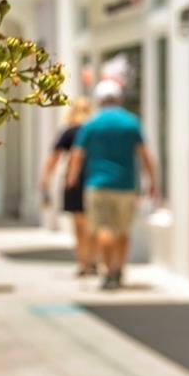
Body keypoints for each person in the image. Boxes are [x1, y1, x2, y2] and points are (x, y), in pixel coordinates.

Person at [68, 80, 158, 290]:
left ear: (99, 100)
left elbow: (77, 154)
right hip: (126, 185)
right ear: (119, 99)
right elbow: (144, 155)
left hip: (97, 185)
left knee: (103, 228)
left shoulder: (92, 124)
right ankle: (118, 269)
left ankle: (109, 270)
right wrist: (152, 181)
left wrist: (72, 178)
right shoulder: (130, 123)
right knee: (123, 230)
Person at [40, 98, 96, 277]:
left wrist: (45, 179)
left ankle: (83, 262)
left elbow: (54, 157)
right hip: (94, 178)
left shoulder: (69, 132)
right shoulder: (92, 131)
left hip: (74, 180)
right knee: (92, 223)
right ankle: (94, 260)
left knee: (79, 224)